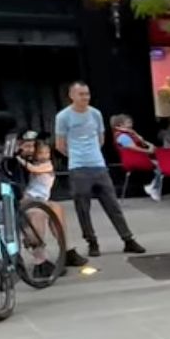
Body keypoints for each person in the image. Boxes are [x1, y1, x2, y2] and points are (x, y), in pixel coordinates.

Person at [55, 82, 146, 258]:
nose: (85, 98)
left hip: (98, 165)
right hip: (78, 167)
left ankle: (127, 239)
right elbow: (60, 145)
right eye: (81, 94)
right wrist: (76, 155)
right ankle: (92, 241)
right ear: (71, 95)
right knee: (83, 207)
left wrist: (93, 153)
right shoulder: (63, 117)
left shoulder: (95, 113)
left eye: (87, 94)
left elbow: (101, 138)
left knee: (112, 204)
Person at [18, 133, 87, 271]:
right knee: (37, 213)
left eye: (33, 146)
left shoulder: (41, 164)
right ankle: (40, 260)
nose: (31, 149)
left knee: (56, 208)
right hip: (22, 200)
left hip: (38, 198)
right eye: (27, 145)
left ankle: (66, 250)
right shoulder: (15, 162)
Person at [111, 114, 163, 202]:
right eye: (128, 123)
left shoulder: (130, 134)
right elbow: (133, 148)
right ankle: (154, 188)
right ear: (120, 125)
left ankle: (153, 186)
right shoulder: (122, 136)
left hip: (138, 158)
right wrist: (148, 151)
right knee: (162, 166)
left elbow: (143, 143)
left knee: (160, 163)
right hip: (134, 160)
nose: (131, 125)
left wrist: (135, 133)